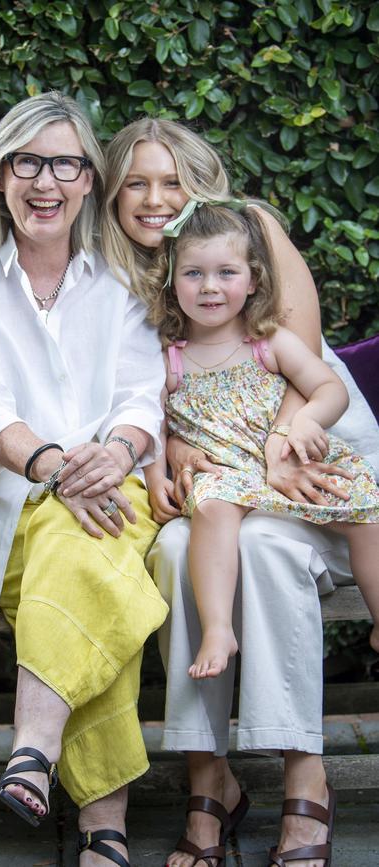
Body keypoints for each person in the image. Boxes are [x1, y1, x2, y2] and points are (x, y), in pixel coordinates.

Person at [102, 117, 379, 867]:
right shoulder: (118, 266)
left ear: (202, 184)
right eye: (136, 182)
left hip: (305, 455)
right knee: (177, 543)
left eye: (172, 181)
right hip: (218, 473)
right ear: (112, 193)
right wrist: (174, 448)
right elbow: (142, 394)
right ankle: (208, 778)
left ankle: (304, 774)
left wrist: (278, 447)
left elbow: (305, 359)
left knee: (261, 543)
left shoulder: (247, 230)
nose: (155, 199)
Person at [0, 92, 167, 867]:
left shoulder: (122, 277)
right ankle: (106, 826)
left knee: (87, 544)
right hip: (8, 496)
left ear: (90, 179)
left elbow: (140, 395)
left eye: (65, 163)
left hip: (115, 483)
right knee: (91, 552)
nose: (45, 182)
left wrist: (122, 452)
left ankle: (35, 747)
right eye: (27, 162)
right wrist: (56, 467)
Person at [144, 202, 379, 683]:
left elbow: (328, 387)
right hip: (227, 475)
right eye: (193, 273)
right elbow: (154, 426)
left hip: (288, 464)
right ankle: (216, 629)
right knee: (211, 506)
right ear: (172, 281)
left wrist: (307, 421)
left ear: (252, 280)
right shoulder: (168, 358)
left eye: (226, 272)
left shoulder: (267, 341)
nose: (209, 286)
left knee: (366, 509)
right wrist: (157, 473)